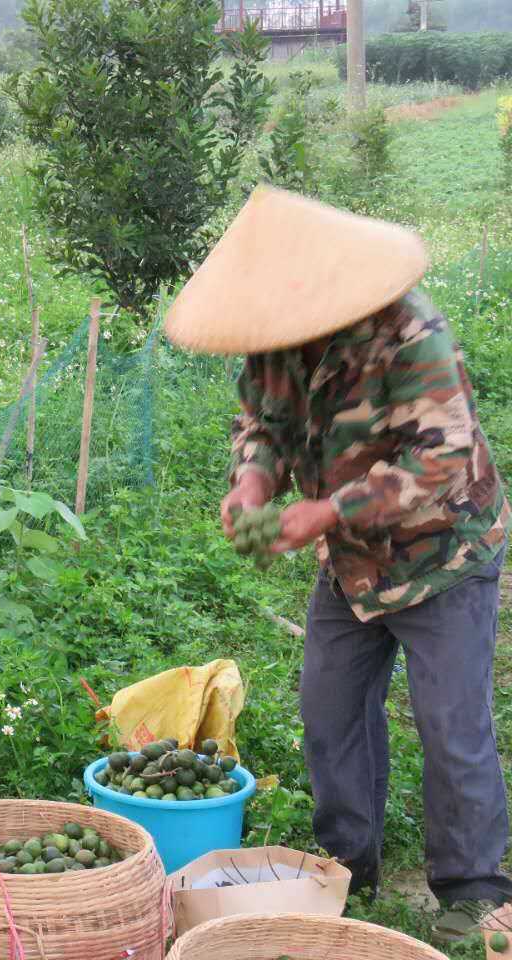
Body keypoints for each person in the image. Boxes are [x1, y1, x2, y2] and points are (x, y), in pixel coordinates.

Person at [165, 186, 511, 943]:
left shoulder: (409, 331)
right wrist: (253, 478)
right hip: (351, 566)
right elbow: (261, 422)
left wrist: (326, 511)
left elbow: (441, 457)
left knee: (451, 724)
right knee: (329, 712)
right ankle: (349, 863)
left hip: (441, 553)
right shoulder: (277, 336)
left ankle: (472, 889)